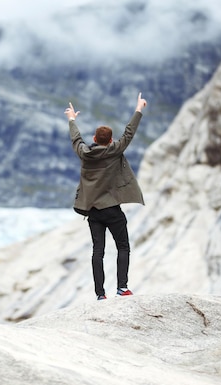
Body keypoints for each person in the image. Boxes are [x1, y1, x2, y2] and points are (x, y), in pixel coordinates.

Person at [65, 93, 147, 300]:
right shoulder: (115, 150)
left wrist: (72, 119)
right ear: (111, 140)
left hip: (93, 212)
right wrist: (138, 109)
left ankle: (100, 294)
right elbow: (129, 132)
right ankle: (122, 287)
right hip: (112, 210)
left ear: (94, 139)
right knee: (123, 247)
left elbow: (76, 139)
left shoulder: (84, 152)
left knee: (97, 252)